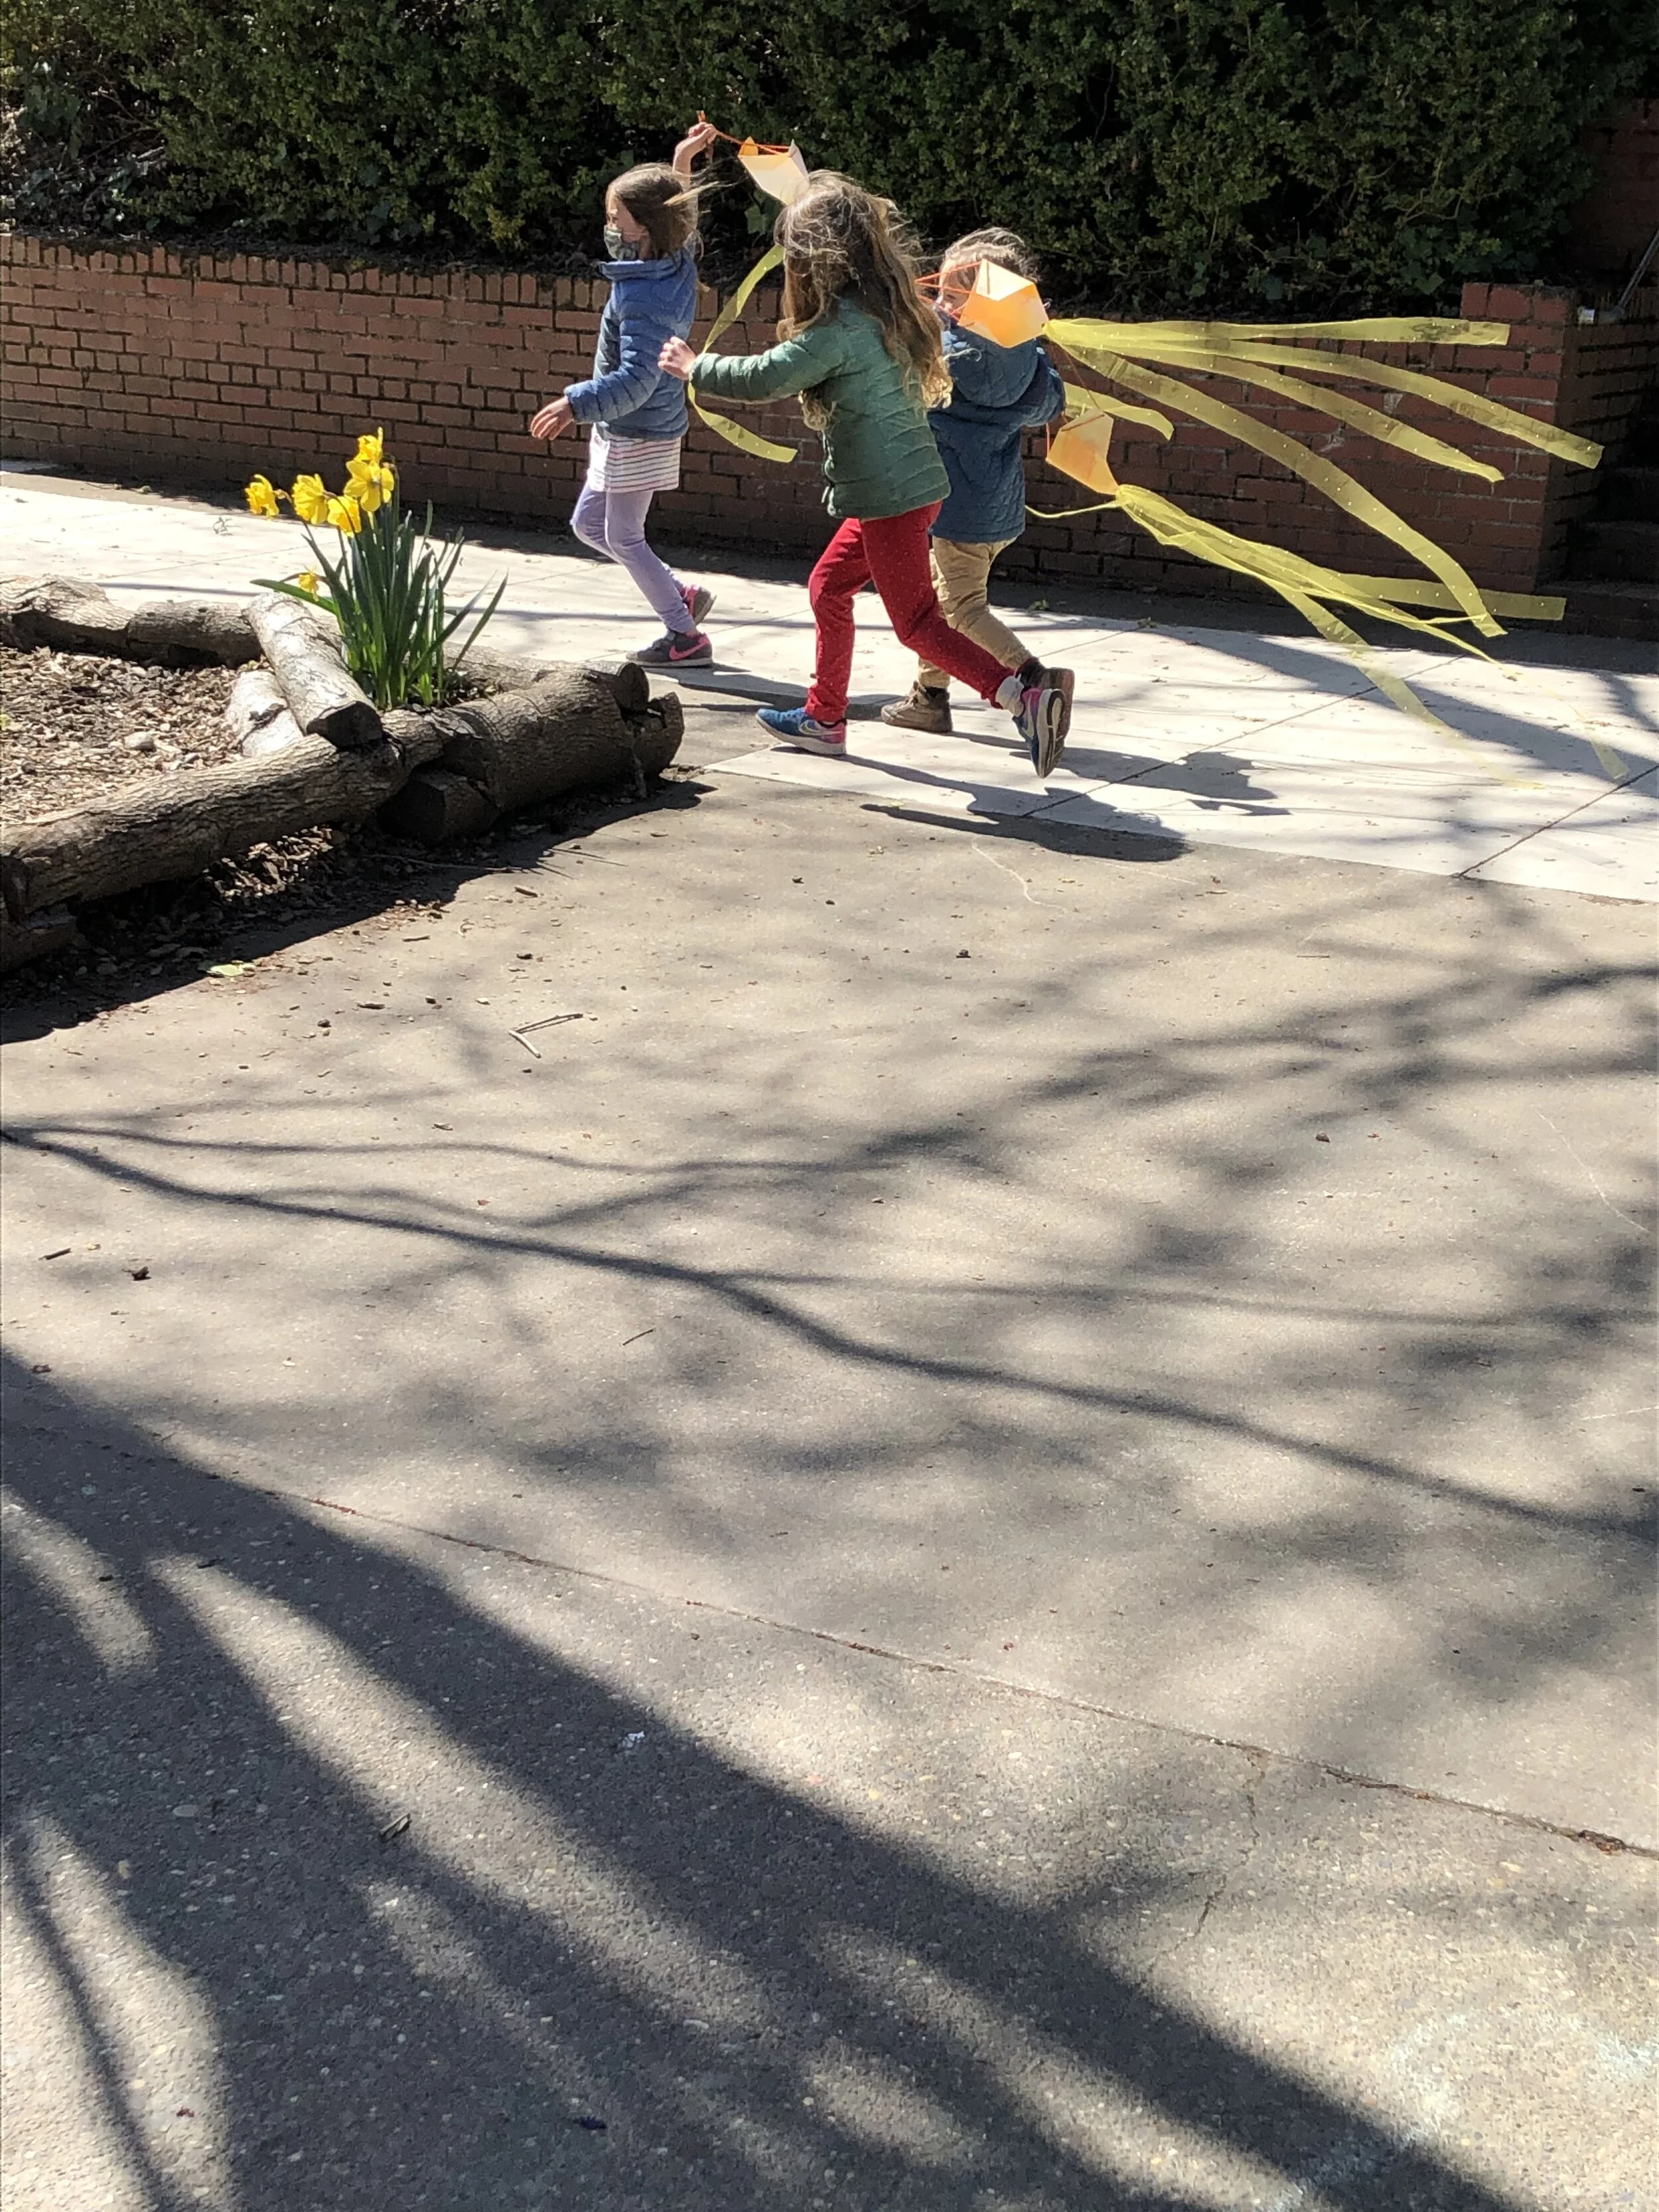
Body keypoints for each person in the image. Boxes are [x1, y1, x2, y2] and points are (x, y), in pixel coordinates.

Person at [658, 174, 1070, 774]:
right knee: (829, 587)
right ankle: (825, 716)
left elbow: (767, 375)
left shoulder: (843, 329)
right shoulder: (896, 306)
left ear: (815, 262)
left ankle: (1020, 696)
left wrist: (697, 366)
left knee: (920, 623)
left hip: (890, 497)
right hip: (910, 489)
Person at [529, 124, 719, 668]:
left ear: (646, 227)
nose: (609, 226)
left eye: (617, 218)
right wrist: (682, 160)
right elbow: (678, 213)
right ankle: (680, 596)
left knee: (623, 535)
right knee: (589, 525)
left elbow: (637, 380)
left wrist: (575, 403)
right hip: (631, 430)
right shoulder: (674, 259)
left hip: (638, 429)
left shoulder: (645, 295)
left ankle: (686, 636)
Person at [883, 228, 1070, 736]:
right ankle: (929, 695)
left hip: (956, 507)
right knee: (939, 601)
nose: (939, 302)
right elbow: (1051, 402)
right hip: (999, 507)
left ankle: (1034, 678)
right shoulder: (1027, 357)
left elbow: (910, 386)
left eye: (949, 295)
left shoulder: (950, 358)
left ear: (975, 304)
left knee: (962, 609)